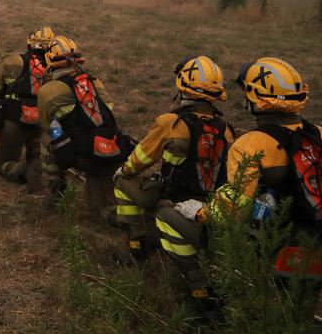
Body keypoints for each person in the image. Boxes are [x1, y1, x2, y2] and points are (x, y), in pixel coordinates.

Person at [155, 57, 320, 309]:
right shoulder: (318, 133)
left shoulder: (250, 144)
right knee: (299, 308)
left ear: (254, 96)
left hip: (272, 246)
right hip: (315, 241)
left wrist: (199, 212)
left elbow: (231, 211)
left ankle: (202, 294)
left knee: (167, 217)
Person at [113, 56, 234, 264]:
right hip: (212, 205)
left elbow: (139, 160)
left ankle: (136, 245)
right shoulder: (227, 130)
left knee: (123, 181)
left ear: (182, 86)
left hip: (175, 199)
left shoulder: (171, 123)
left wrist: (123, 170)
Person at [37, 36, 131, 216]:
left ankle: (56, 190)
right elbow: (109, 110)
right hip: (109, 147)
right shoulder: (95, 82)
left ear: (50, 59)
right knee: (103, 204)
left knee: (48, 139)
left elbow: (46, 123)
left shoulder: (48, 91)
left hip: (82, 154)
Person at [0, 26, 55, 192]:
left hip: (13, 121)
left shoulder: (13, 61)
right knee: (37, 156)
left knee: (4, 164)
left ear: (29, 43)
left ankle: (24, 171)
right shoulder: (52, 70)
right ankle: (37, 170)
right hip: (40, 123)